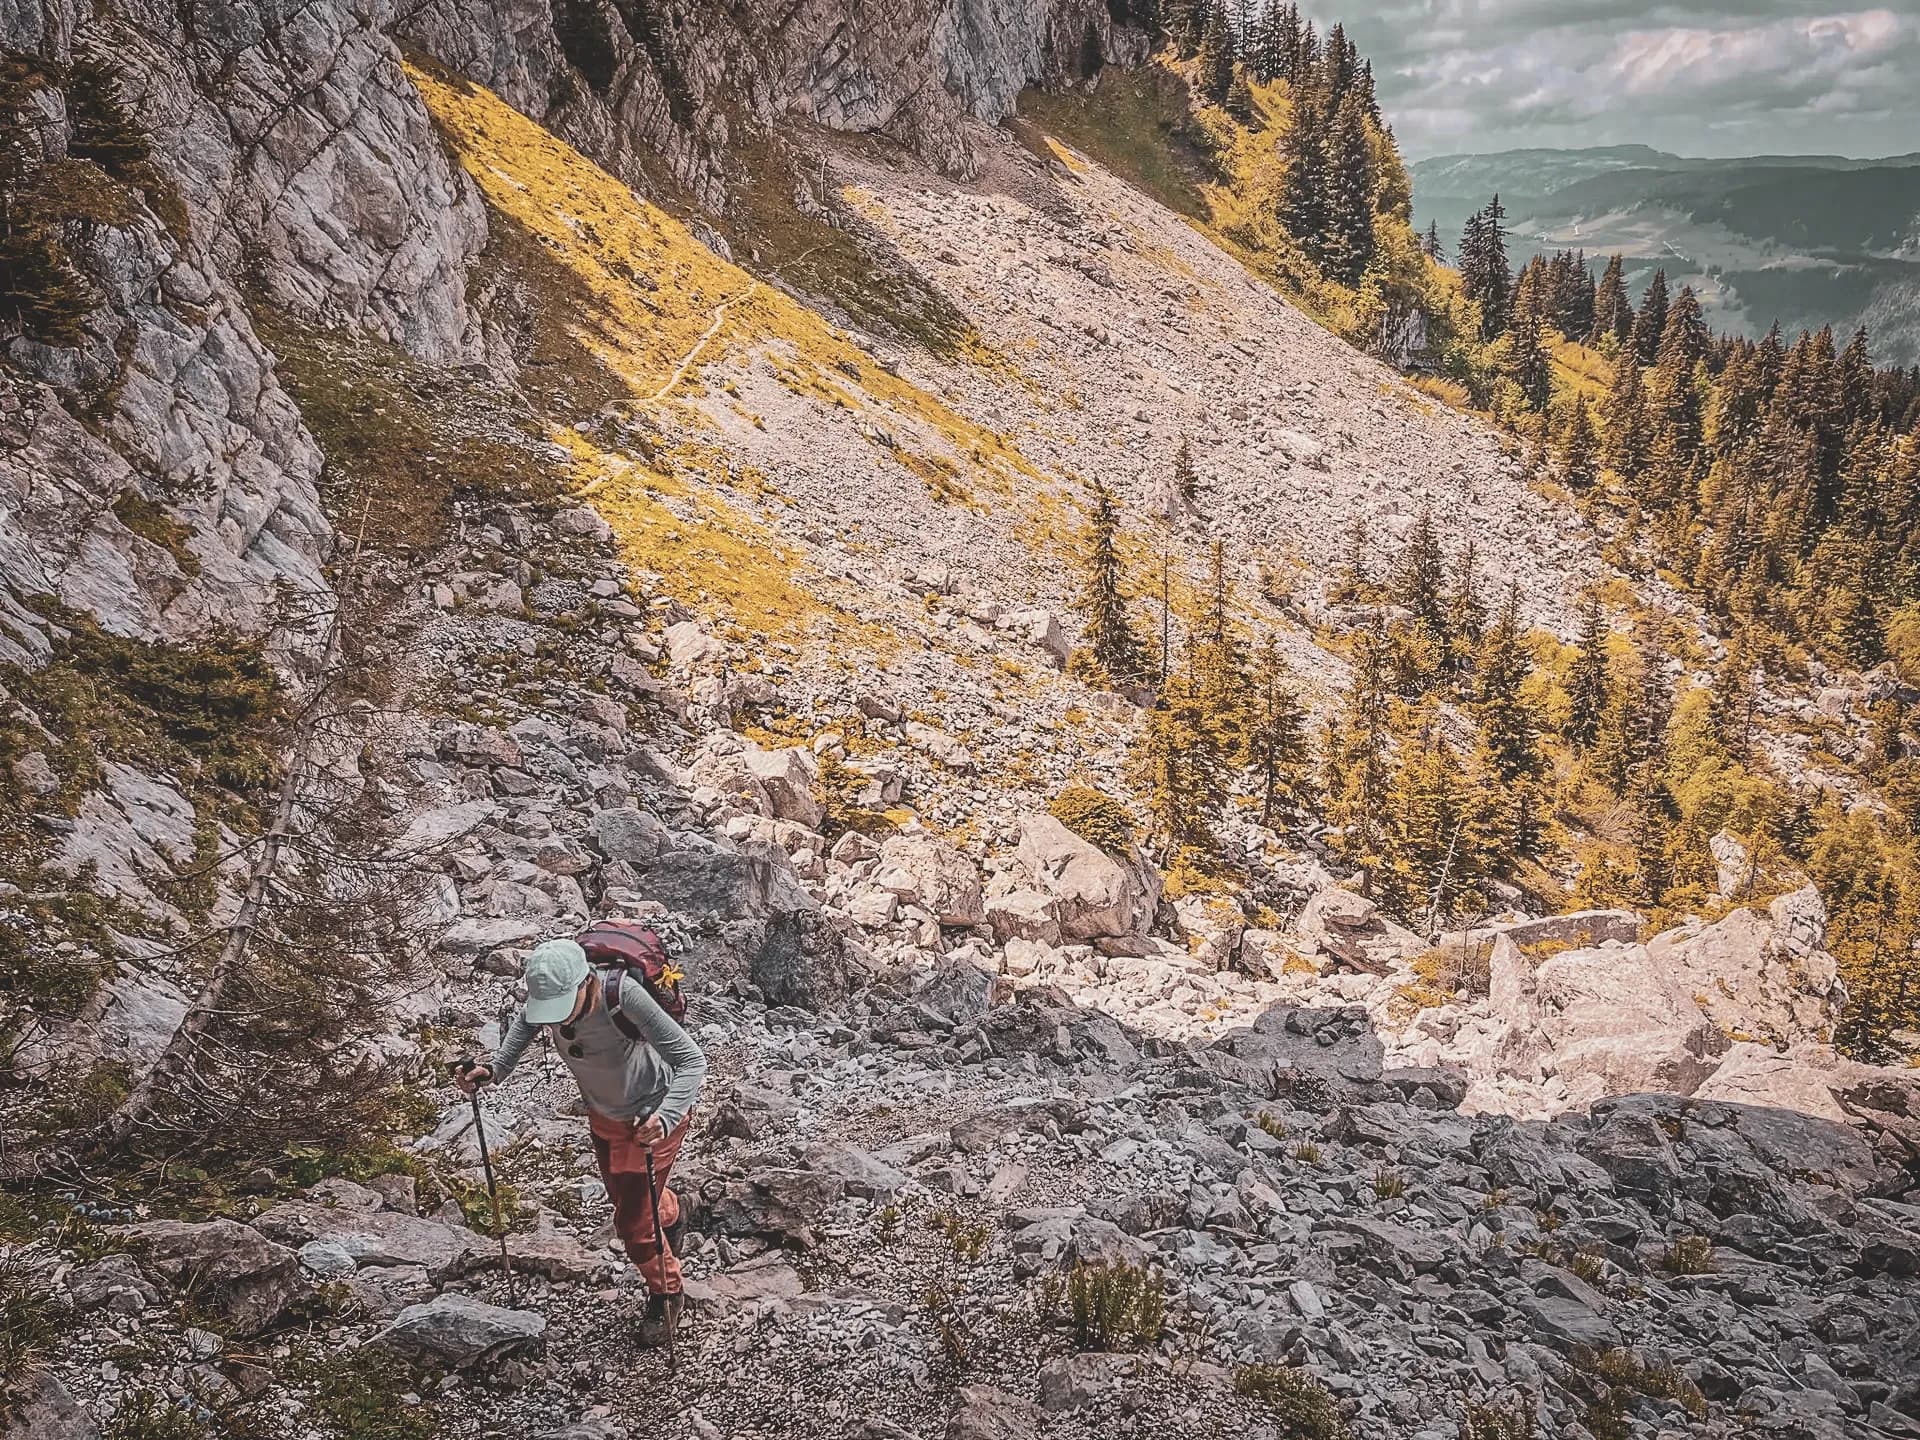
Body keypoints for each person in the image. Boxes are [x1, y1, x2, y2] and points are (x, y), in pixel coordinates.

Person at [459, 936, 706, 1343]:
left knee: (631, 1224)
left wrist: (665, 1118)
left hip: (652, 1118)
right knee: (629, 1198)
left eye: (559, 1007)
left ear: (584, 982)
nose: (555, 1020)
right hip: (604, 1116)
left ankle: (668, 1293)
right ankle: (672, 1213)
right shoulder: (551, 1000)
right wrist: (497, 1069)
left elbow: (692, 1061)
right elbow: (526, 1021)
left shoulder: (624, 996)